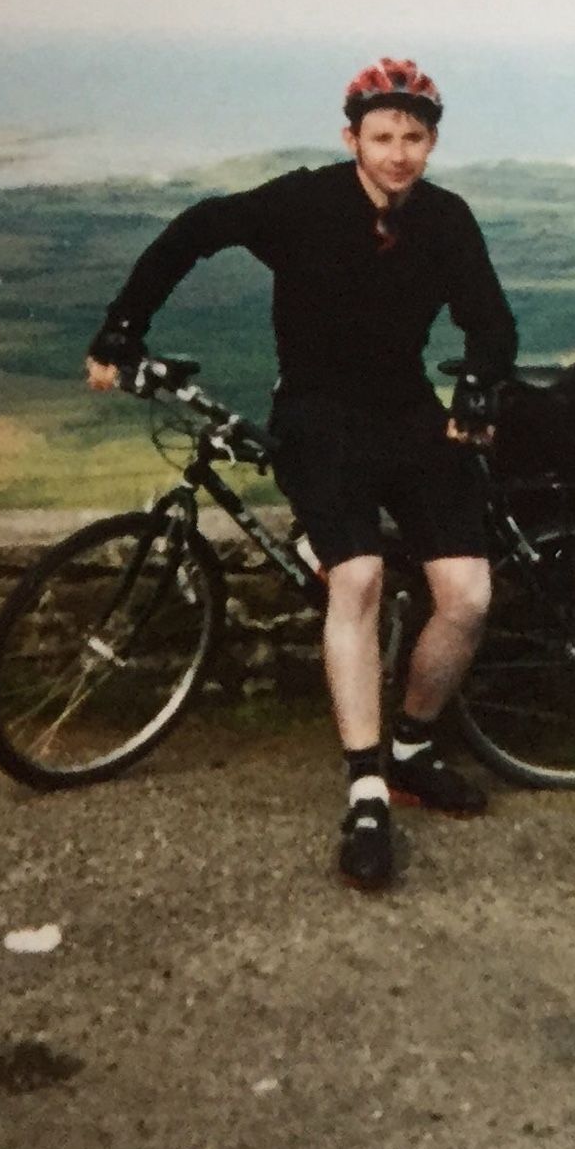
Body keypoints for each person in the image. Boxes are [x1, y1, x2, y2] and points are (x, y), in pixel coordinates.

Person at [85, 58, 517, 892]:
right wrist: (122, 329)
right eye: (382, 137)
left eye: (414, 138)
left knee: (467, 594)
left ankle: (413, 751)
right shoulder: (303, 202)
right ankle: (365, 791)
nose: (398, 154)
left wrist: (478, 382)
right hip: (318, 416)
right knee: (355, 576)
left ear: (431, 142)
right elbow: (195, 231)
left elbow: (490, 320)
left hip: (405, 415)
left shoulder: (447, 219)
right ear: (351, 137)